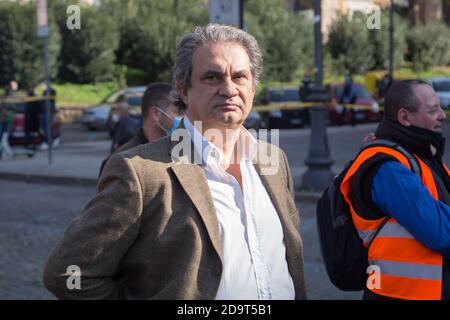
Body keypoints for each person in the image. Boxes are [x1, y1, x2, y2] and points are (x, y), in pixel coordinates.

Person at [43, 24, 306, 300]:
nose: (228, 89)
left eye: (240, 77)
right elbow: (66, 273)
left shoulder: (273, 160)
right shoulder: (140, 172)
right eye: (212, 77)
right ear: (183, 89)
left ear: (253, 88)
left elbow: (289, 260)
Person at [341, 80, 450, 300]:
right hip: (399, 294)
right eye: (433, 110)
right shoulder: (387, 167)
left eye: (440, 107)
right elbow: (440, 232)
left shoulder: (421, 158)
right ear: (404, 117)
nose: (442, 115)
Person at [98, 82, 185, 176]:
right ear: (156, 113)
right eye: (179, 112)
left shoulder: (182, 152)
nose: (184, 118)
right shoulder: (122, 162)